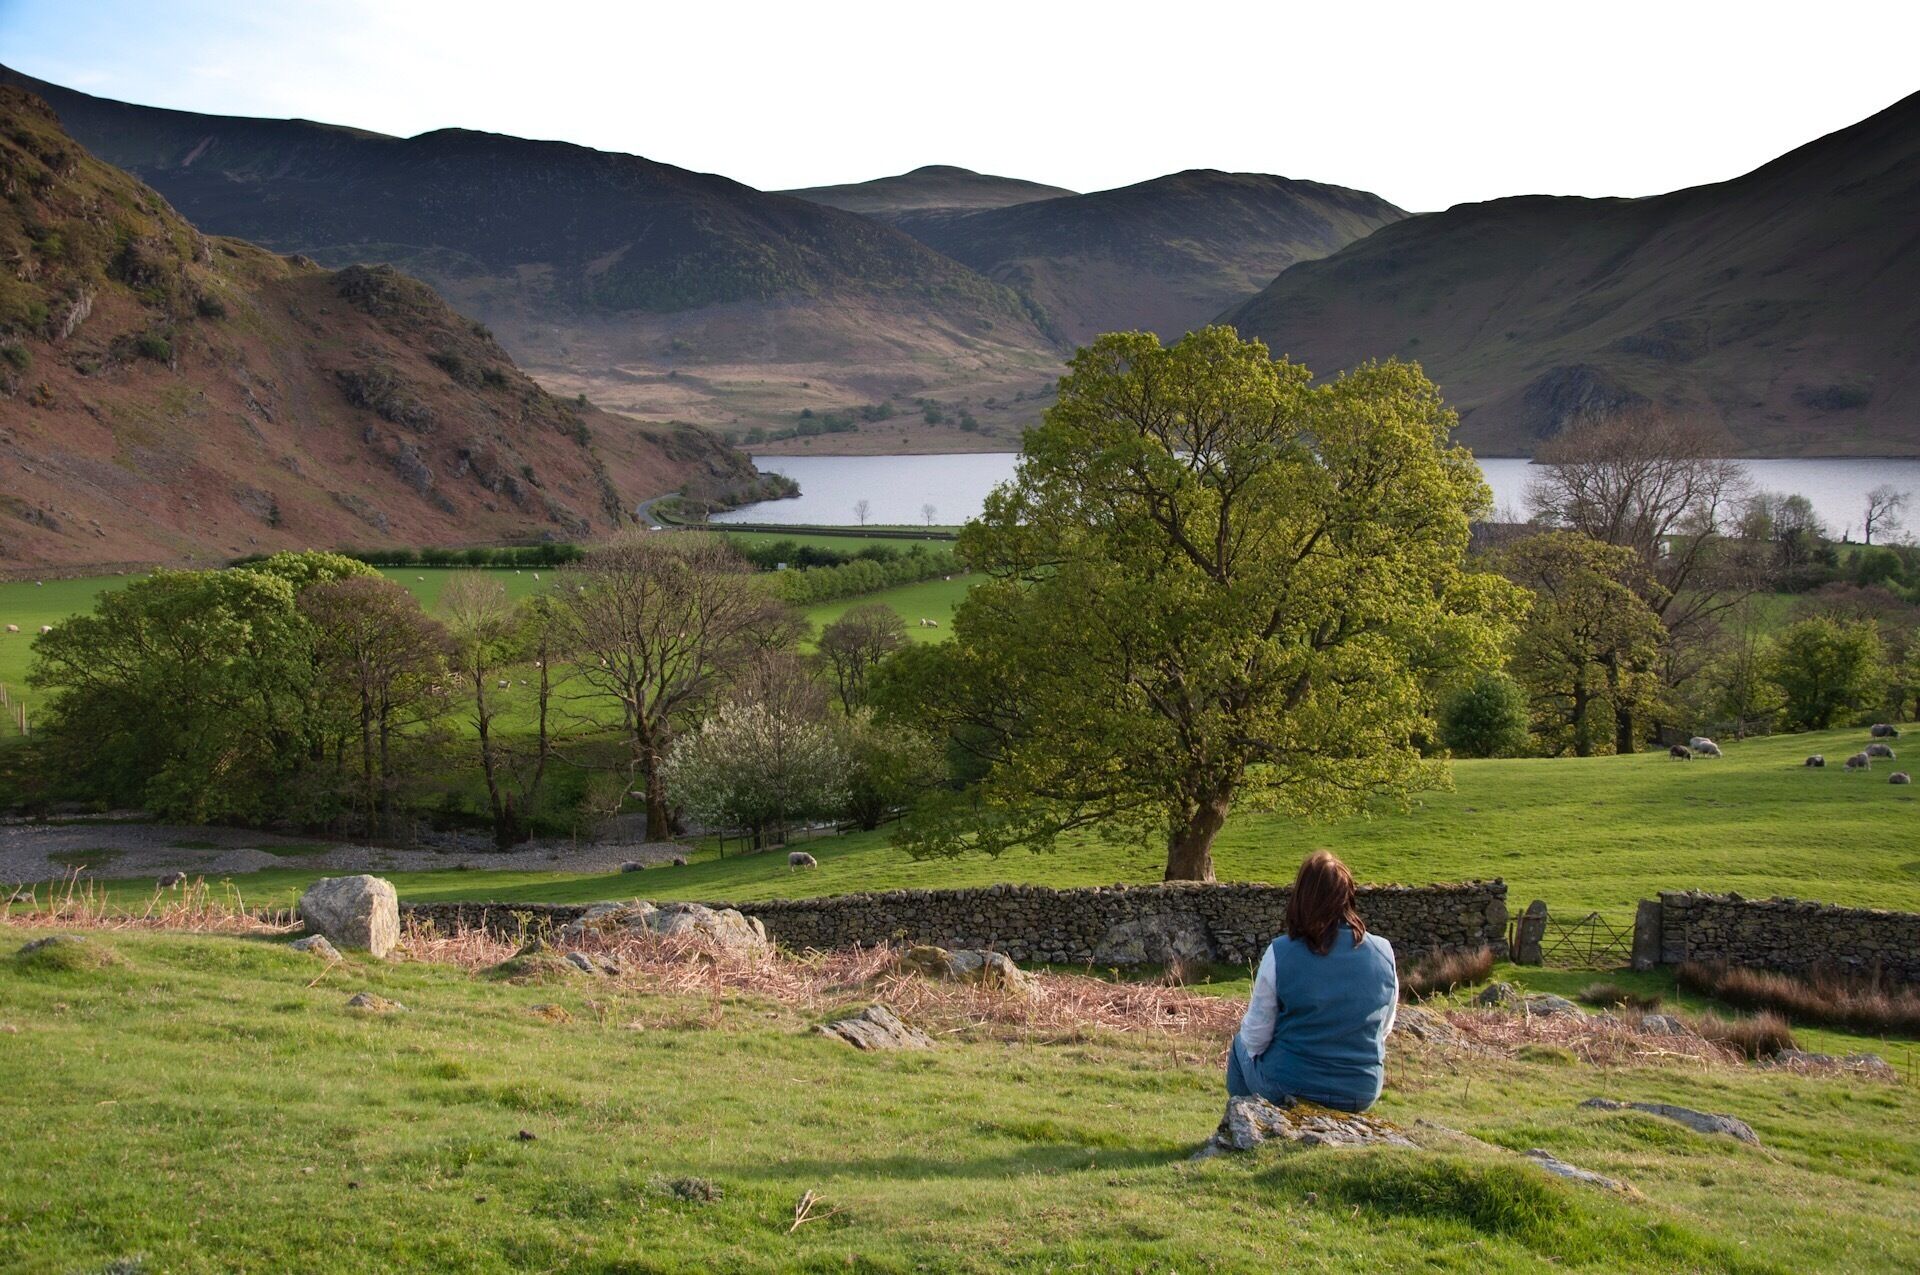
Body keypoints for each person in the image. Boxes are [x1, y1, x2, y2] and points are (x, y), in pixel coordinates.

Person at [1227, 851, 1399, 1112]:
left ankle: (1246, 1128)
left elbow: (1255, 1037)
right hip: (1360, 1090)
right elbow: (1383, 1028)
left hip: (1289, 1083)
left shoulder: (1281, 953)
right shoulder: (1383, 952)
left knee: (1239, 1046)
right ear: (1348, 896)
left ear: (1301, 897)